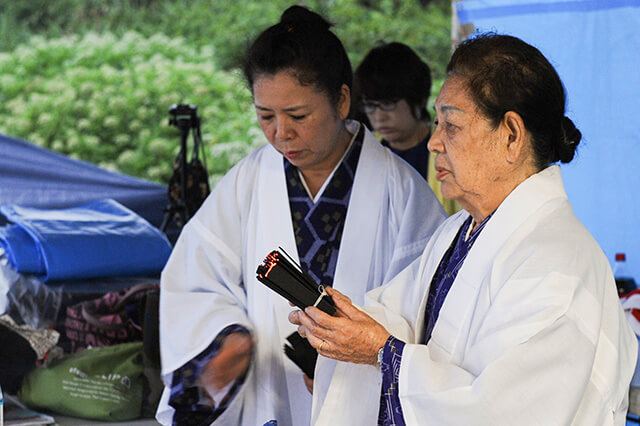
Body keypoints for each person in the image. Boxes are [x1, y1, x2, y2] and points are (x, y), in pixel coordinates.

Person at [290, 33, 637, 425]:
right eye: (437, 123)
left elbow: (504, 410)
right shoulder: (457, 231)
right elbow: (398, 318)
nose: (435, 142)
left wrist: (380, 351)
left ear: (510, 135)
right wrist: (342, 326)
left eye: (451, 125)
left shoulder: (560, 262)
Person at [155, 6, 446, 426]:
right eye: (265, 116)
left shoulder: (402, 191)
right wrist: (224, 340)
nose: (281, 133)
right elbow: (194, 278)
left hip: (361, 397)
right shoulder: (248, 181)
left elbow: (426, 308)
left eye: (298, 116)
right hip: (269, 388)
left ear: (342, 100)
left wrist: (352, 361)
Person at [354, 42, 460, 215]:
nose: (379, 116)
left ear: (417, 99)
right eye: (370, 105)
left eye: (388, 104)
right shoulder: (363, 150)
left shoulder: (451, 150)